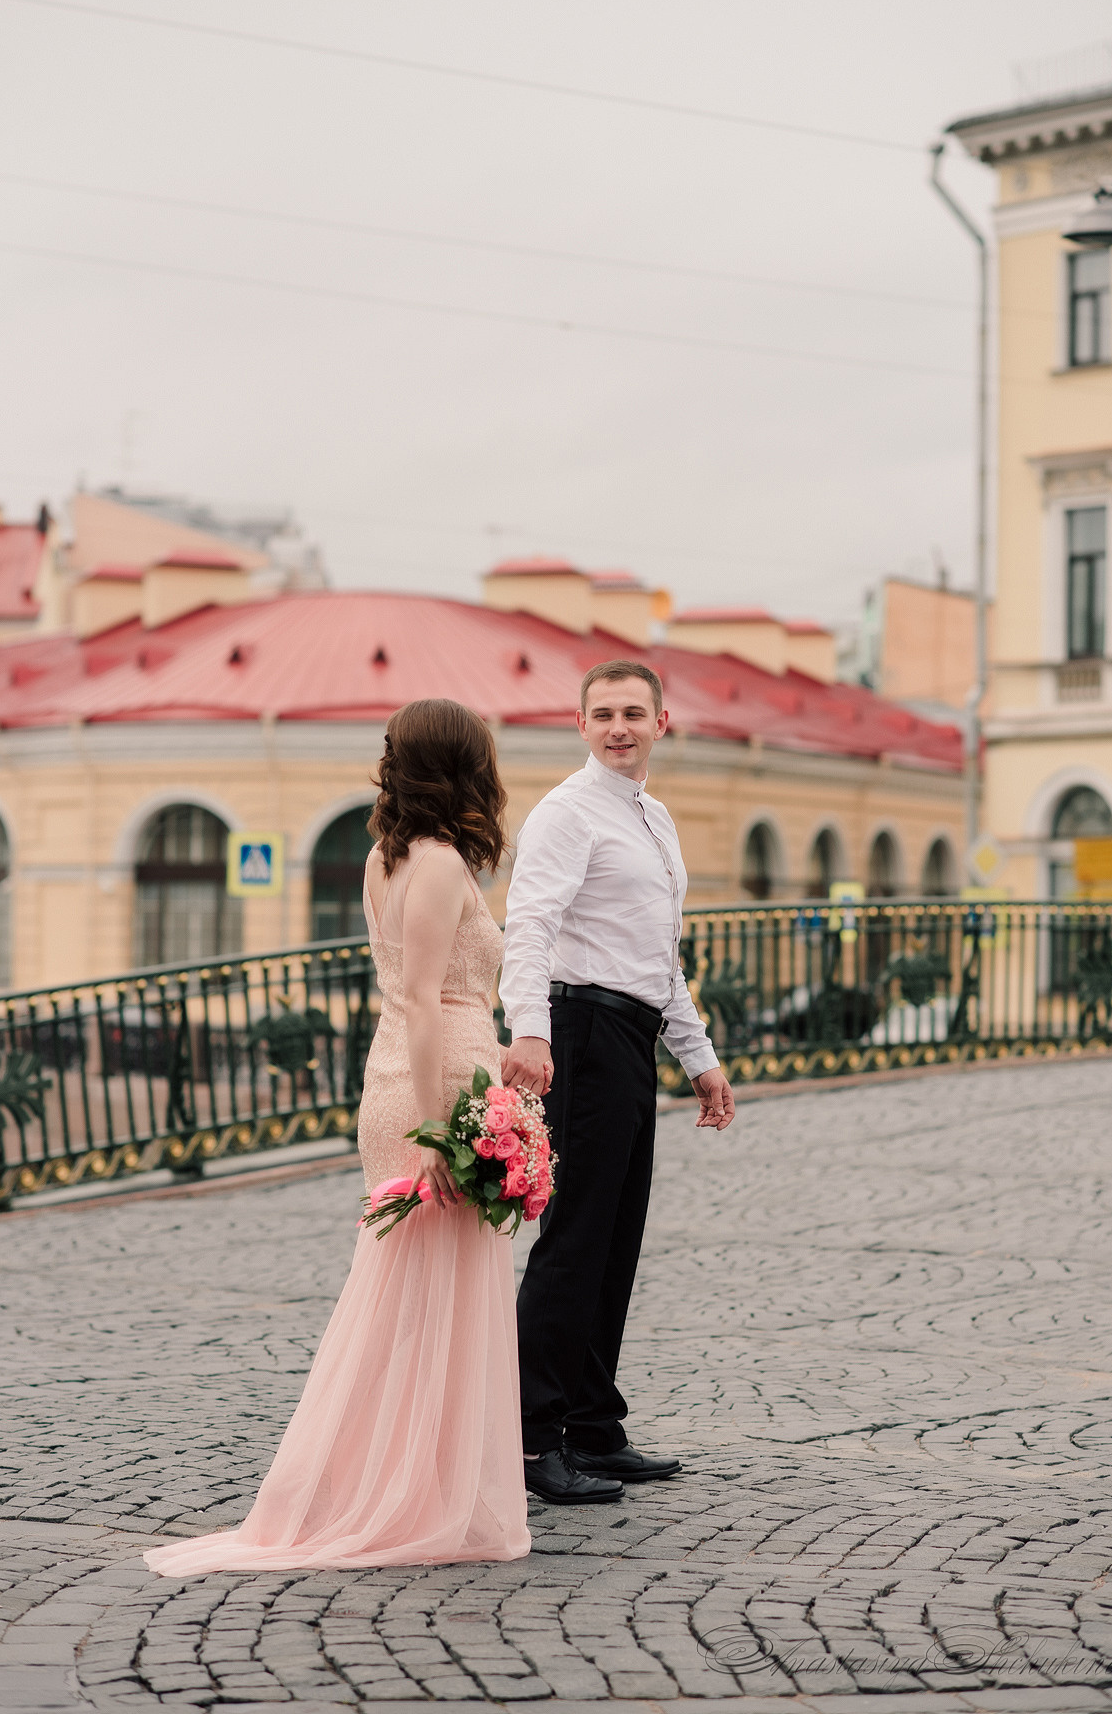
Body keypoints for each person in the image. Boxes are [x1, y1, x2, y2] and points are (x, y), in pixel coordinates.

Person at [145, 699, 533, 1576]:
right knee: (423, 1292)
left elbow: (423, 993)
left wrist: (501, 1053)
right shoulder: (435, 865)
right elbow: (428, 998)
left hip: (429, 1073)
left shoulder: (387, 857)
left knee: (421, 1295)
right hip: (430, 1093)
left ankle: (413, 1483)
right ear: (465, 767)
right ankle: (398, 1496)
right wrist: (440, 1131)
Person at [501, 660, 736, 1507]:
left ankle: (594, 1426)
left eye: (634, 712)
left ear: (662, 723)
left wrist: (697, 1059)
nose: (618, 727)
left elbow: (659, 960)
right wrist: (529, 1029)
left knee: (615, 1240)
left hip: (631, 1036)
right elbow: (528, 923)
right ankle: (530, 1441)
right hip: (580, 1033)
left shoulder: (655, 819)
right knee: (573, 1242)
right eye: (602, 714)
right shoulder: (566, 813)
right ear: (580, 724)